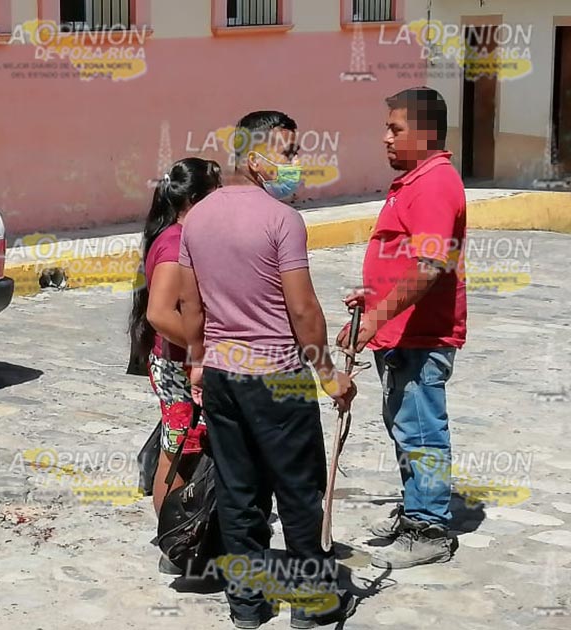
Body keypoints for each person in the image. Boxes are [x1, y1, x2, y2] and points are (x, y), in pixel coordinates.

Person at [177, 111, 356, 629]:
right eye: (289, 152)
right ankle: (311, 604)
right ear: (255, 160)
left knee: (239, 494)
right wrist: (328, 374)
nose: (297, 163)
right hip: (277, 375)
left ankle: (247, 608)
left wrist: (196, 362)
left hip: (223, 378)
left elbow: (191, 303)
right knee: (299, 492)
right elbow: (303, 310)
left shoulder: (199, 218)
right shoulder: (282, 221)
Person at [337, 87, 466, 570]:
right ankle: (416, 508)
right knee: (405, 425)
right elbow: (406, 259)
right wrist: (372, 299)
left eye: (396, 129)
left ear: (426, 133)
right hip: (399, 332)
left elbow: (431, 263)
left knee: (422, 429)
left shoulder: (434, 184)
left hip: (421, 335)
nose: (385, 138)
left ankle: (429, 526)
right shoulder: (414, 182)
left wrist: (376, 316)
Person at [127, 157, 222, 569]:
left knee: (188, 447)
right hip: (178, 364)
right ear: (196, 200)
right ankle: (174, 540)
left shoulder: (182, 236)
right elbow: (160, 315)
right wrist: (207, 348)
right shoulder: (173, 244)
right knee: (179, 449)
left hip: (184, 361)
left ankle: (188, 530)